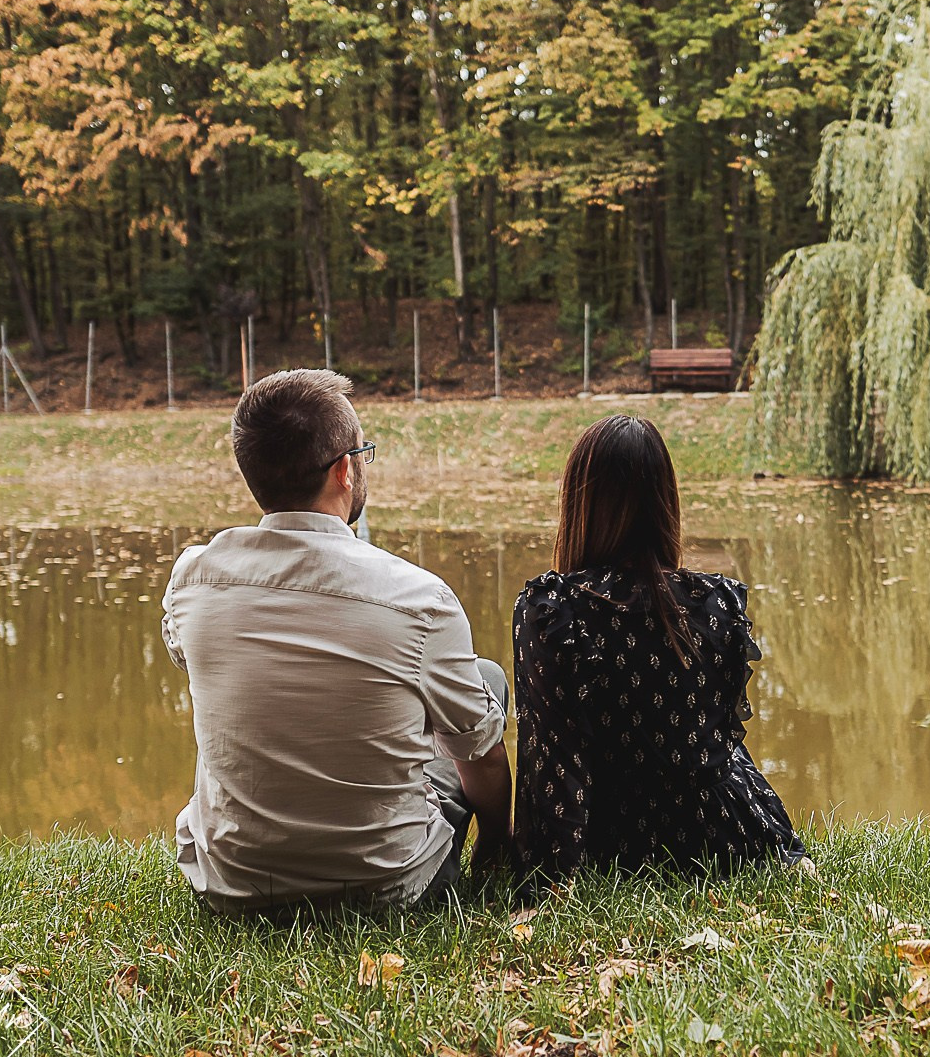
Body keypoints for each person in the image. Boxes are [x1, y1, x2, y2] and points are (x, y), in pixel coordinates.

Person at [160, 369, 511, 912]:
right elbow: (482, 759)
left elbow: (191, 657)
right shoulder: (420, 600)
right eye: (362, 455)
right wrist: (496, 843)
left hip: (233, 884)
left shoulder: (192, 579)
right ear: (345, 470)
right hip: (385, 890)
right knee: (482, 679)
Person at [512, 414, 805, 882]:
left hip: (610, 845)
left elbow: (552, 763)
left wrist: (546, 879)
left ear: (579, 505)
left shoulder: (551, 610)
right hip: (722, 838)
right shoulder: (717, 604)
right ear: (666, 501)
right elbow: (719, 745)